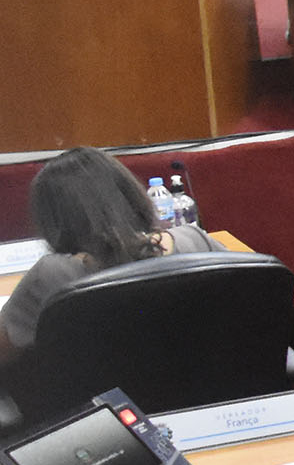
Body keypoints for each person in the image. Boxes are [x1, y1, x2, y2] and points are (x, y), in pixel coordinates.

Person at [0, 149, 216, 361]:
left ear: (54, 221)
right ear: (131, 194)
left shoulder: (51, 274)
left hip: (104, 395)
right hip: (217, 390)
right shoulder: (196, 241)